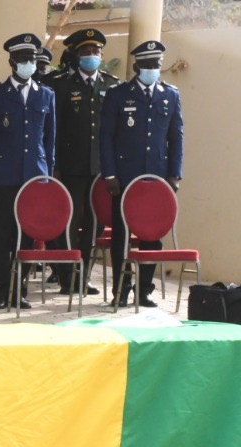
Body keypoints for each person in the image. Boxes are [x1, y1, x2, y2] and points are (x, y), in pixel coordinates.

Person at [100, 40, 183, 308]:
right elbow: (106, 137)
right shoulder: (118, 94)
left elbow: (176, 137)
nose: (152, 69)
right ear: (136, 67)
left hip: (156, 178)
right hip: (124, 178)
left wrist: (174, 174)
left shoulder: (170, 94)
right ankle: (121, 290)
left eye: (156, 64)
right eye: (147, 64)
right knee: (121, 236)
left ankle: (144, 290)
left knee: (152, 236)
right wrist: (109, 174)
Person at [0, 33, 56, 310]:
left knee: (27, 236)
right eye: (22, 59)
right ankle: (0, 290)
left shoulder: (46, 94)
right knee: (3, 235)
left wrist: (48, 177)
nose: (28, 64)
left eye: (32, 59)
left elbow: (49, 140)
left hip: (34, 177)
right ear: (11, 62)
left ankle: (20, 289)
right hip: (2, 177)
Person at [52, 28, 118, 297]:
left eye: (96, 51)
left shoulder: (112, 86)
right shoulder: (62, 86)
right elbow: (54, 130)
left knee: (94, 225)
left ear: (102, 55)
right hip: (70, 167)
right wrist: (55, 166)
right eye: (86, 51)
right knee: (68, 222)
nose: (91, 55)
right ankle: (68, 276)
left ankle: (85, 275)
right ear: (77, 55)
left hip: (100, 168)